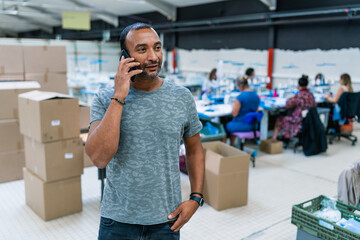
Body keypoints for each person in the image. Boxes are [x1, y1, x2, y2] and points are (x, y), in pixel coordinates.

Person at [85, 23, 205, 240]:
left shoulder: (181, 97)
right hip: (117, 222)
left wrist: (196, 198)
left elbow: (194, 149)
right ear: (125, 56)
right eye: (142, 50)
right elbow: (99, 158)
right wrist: (119, 95)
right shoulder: (104, 98)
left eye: (157, 48)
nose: (153, 57)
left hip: (166, 221)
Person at [272, 75, 317, 140]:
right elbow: (314, 105)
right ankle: (285, 138)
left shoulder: (299, 95)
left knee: (279, 119)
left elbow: (288, 105)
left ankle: (274, 139)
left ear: (298, 85)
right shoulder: (311, 95)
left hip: (297, 120)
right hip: (308, 119)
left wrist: (291, 97)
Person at [224, 76, 260, 146]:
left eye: (237, 86)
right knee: (233, 123)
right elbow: (256, 111)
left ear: (240, 85)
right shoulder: (256, 96)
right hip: (253, 125)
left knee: (225, 126)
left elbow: (234, 114)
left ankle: (229, 147)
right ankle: (232, 145)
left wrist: (234, 105)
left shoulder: (240, 97)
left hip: (242, 125)